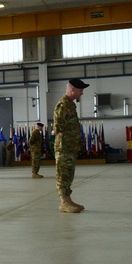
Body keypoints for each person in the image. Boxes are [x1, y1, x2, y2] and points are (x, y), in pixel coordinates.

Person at [53, 78, 88, 213]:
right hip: (64, 147)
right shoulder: (63, 105)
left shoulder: (70, 105)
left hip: (70, 146)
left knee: (69, 174)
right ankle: (64, 202)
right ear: (72, 89)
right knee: (63, 174)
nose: (82, 93)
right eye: (80, 90)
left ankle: (68, 199)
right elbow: (58, 126)